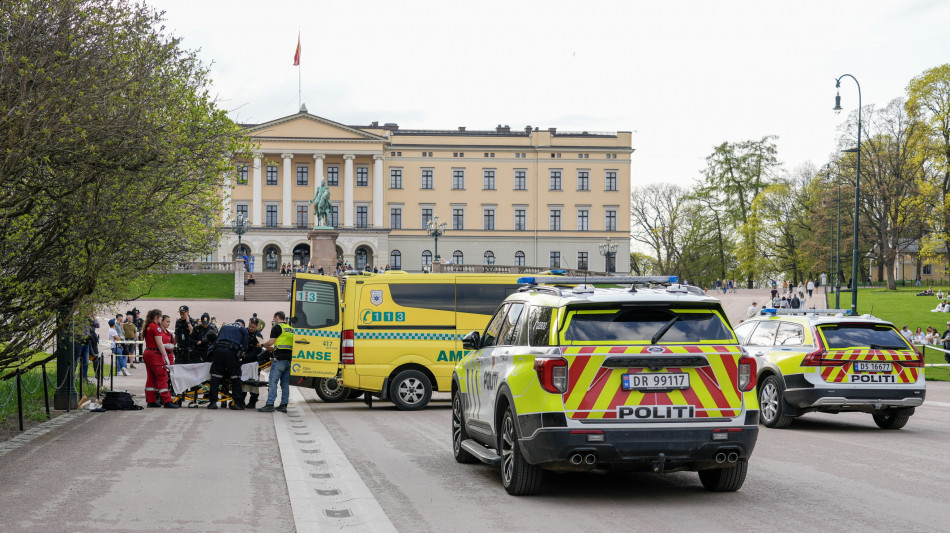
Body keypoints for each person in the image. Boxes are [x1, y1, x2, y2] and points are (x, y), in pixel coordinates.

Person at [207, 319, 249, 410]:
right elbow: (245, 347)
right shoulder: (243, 329)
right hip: (231, 351)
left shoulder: (224, 327)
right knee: (235, 377)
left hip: (218, 350)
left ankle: (212, 402)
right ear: (242, 324)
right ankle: (238, 403)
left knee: (215, 376)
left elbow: (217, 340)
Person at [142, 309, 179, 408]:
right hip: (155, 354)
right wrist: (166, 357)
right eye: (161, 317)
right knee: (162, 376)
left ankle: (151, 400)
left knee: (151, 377)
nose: (161, 318)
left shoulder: (148, 326)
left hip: (147, 352)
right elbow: (159, 343)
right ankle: (167, 401)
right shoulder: (156, 327)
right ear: (156, 317)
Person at [258, 311, 293, 413]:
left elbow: (271, 342)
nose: (274, 320)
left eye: (274, 318)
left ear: (277, 317)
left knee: (272, 382)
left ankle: (270, 404)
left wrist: (262, 345)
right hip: (288, 360)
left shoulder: (277, 327)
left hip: (279, 360)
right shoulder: (291, 329)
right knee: (285, 384)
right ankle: (283, 405)